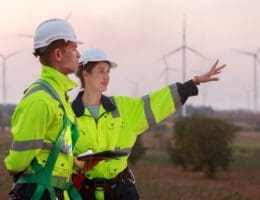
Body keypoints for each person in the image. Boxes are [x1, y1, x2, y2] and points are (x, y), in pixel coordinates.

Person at [71, 48, 226, 200]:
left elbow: (158, 103)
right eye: (101, 71)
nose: (106, 77)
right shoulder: (68, 114)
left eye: (108, 71)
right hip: (83, 192)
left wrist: (193, 83)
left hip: (121, 191)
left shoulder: (124, 107)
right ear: (85, 73)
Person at [4, 18, 91, 200]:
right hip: (39, 193)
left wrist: (78, 163)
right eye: (74, 48)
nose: (79, 54)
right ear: (58, 54)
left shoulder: (58, 96)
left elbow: (54, 149)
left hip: (56, 193)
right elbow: (17, 162)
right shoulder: (40, 100)